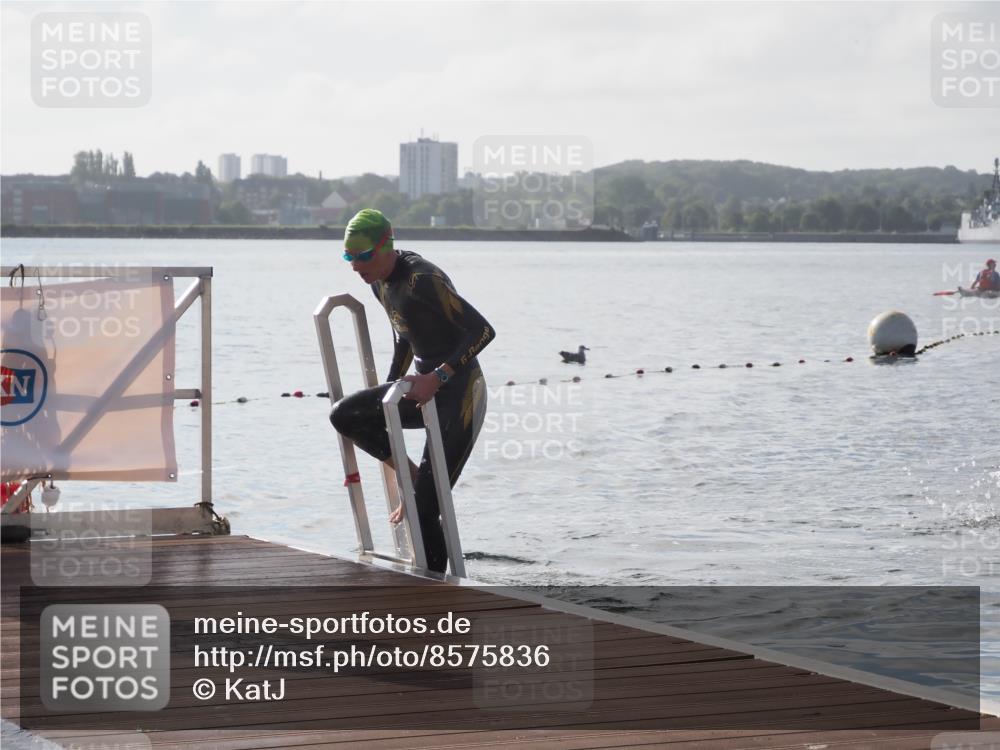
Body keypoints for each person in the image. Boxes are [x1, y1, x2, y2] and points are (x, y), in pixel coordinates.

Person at [329, 209, 495, 573]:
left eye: (363, 256)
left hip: (461, 396)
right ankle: (413, 475)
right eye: (349, 257)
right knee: (346, 415)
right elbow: (404, 335)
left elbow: (482, 331)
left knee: (424, 511)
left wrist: (438, 376)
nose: (356, 265)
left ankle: (436, 593)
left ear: (386, 245)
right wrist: (388, 387)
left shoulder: (424, 280)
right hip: (423, 388)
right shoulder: (378, 280)